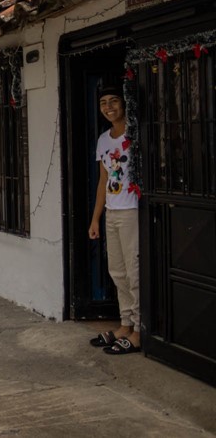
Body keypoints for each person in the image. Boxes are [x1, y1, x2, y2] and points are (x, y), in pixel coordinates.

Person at [88, 84, 141, 355]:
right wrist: (96, 218)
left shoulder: (135, 134)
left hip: (132, 211)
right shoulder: (103, 140)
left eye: (113, 101)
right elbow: (103, 181)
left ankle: (139, 331)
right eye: (103, 103)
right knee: (117, 271)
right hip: (112, 211)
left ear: (124, 103)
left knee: (134, 271)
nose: (109, 107)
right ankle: (125, 323)